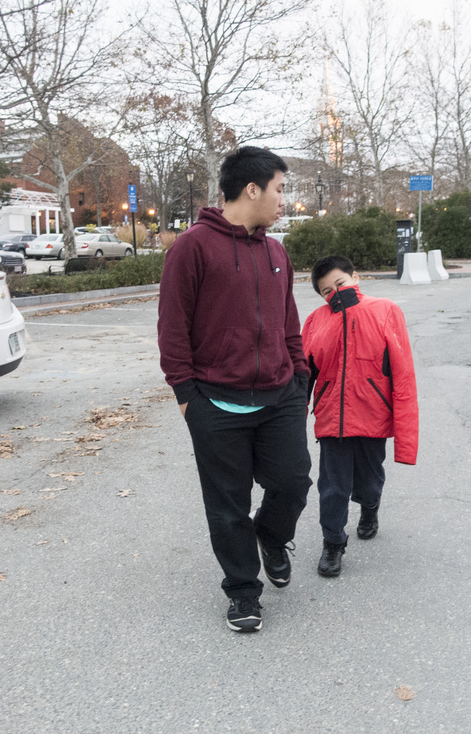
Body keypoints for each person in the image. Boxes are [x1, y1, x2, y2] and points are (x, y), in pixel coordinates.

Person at [157, 147, 311, 634]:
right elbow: (172, 330)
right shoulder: (192, 248)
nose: (284, 200)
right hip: (216, 403)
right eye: (280, 190)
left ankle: (271, 536)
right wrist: (188, 398)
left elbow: (289, 323)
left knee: (293, 482)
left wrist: (300, 378)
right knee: (227, 506)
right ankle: (243, 590)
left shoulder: (276, 252)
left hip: (280, 395)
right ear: (252, 189)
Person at [301, 255, 418, 577]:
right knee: (332, 487)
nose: (335, 293)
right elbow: (303, 375)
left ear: (355, 277)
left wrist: (405, 433)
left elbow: (403, 373)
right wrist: (294, 418)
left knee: (369, 478)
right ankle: (333, 543)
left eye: (340, 283)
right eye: (326, 291)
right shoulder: (315, 321)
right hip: (331, 419)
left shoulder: (385, 310)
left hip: (372, 415)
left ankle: (369, 507)